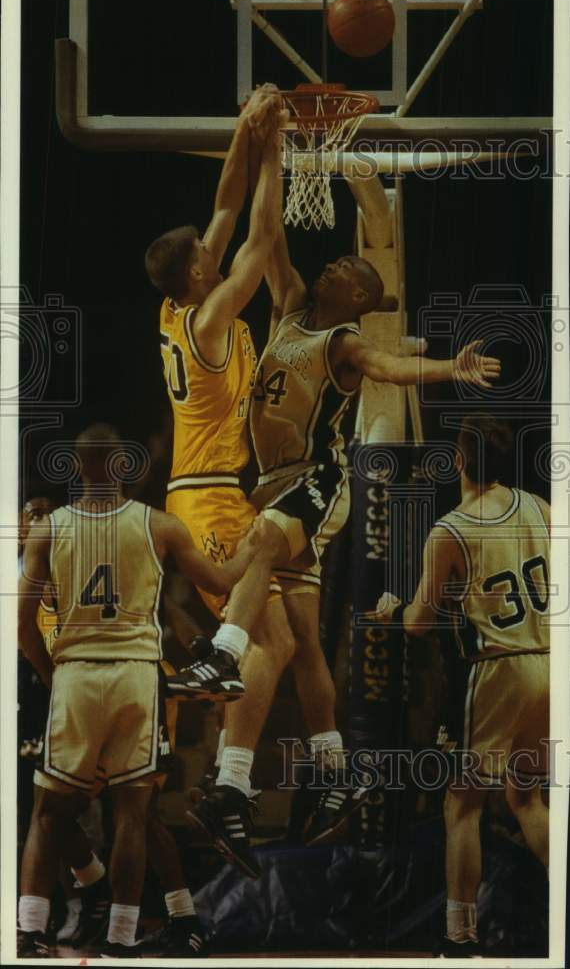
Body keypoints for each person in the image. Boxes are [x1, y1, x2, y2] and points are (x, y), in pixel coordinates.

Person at [177, 212, 501, 865]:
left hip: (317, 479)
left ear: (357, 296)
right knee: (297, 644)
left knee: (261, 554)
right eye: (331, 267)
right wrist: (271, 147)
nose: (331, 268)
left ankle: (222, 652)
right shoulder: (293, 304)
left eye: (345, 271)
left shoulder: (347, 342)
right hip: (270, 480)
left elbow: (391, 366)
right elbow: (269, 236)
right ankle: (313, 770)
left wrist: (448, 369)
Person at [17, 422, 261, 957]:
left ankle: (30, 931)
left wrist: (51, 673)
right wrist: (256, 551)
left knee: (47, 812)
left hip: (76, 672)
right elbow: (221, 583)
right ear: (124, 467)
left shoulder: (48, 529)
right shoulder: (160, 526)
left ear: (77, 468)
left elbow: (20, 627)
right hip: (135, 676)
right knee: (133, 814)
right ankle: (121, 938)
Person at [145, 93, 301, 878]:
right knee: (265, 589)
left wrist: (246, 128)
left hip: (218, 489)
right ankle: (214, 657)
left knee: (281, 641)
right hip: (202, 496)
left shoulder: (180, 305)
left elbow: (226, 205)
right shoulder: (209, 320)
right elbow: (263, 231)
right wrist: (276, 148)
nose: (220, 253)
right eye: (211, 257)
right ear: (198, 275)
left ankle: (229, 789)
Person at [372, 415, 550, 956]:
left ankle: (459, 936)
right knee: (526, 798)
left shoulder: (450, 528)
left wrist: (392, 611)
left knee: (462, 803)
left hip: (499, 668)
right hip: (550, 662)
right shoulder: (541, 507)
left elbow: (420, 621)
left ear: (459, 461)